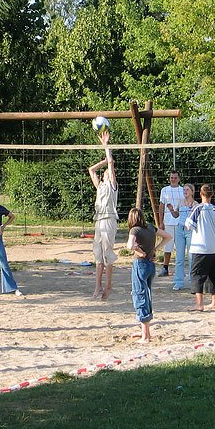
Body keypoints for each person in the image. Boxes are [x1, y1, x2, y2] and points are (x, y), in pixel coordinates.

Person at [126, 208, 171, 343]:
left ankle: (146, 336)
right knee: (147, 295)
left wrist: (138, 251)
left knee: (139, 295)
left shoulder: (135, 230)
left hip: (140, 265)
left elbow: (129, 245)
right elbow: (168, 236)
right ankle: (144, 331)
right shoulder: (150, 227)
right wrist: (155, 249)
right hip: (151, 266)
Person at [88, 128, 118, 300]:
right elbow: (91, 170)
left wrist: (106, 147)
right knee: (98, 257)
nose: (106, 172)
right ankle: (97, 287)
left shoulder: (113, 186)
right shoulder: (100, 186)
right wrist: (105, 162)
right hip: (99, 221)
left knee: (107, 256)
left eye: (108, 171)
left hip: (109, 220)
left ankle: (108, 286)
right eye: (105, 171)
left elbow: (111, 163)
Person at [168, 183, 198, 291]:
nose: (185, 191)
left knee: (191, 257)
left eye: (187, 190)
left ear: (192, 192)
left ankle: (193, 281)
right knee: (179, 258)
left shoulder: (195, 204)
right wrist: (171, 209)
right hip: (180, 230)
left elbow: (197, 218)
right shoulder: (180, 202)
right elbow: (176, 215)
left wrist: (191, 210)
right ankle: (178, 282)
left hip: (190, 231)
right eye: (184, 190)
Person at [157, 170, 184, 277]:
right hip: (168, 221)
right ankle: (165, 267)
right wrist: (160, 222)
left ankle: (179, 268)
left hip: (179, 222)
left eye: (175, 177)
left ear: (179, 179)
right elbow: (161, 206)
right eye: (171, 177)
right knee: (167, 245)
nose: (173, 179)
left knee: (180, 246)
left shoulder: (183, 190)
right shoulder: (164, 190)